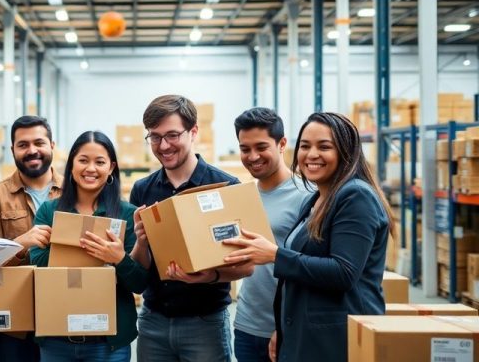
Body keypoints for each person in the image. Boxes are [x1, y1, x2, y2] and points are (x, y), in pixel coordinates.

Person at [223, 112, 393, 362]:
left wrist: (274, 255)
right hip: (305, 335)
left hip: (334, 339)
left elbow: (344, 272)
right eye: (305, 146)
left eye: (324, 146)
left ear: (346, 151)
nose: (311, 154)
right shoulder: (317, 200)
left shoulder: (356, 196)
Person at [129, 95, 254, 362]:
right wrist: (141, 242)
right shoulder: (143, 189)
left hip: (204, 322)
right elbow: (138, 268)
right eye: (154, 137)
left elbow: (246, 266)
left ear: (193, 131)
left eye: (172, 135)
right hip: (154, 321)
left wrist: (209, 276)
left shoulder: (224, 186)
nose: (163, 145)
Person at [29, 131, 147, 362]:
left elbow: (139, 283)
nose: (90, 168)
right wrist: (95, 257)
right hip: (56, 337)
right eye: (83, 160)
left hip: (108, 343)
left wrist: (119, 258)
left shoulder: (127, 215)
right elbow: (37, 267)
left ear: (111, 167)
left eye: (100, 162)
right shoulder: (49, 211)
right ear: (72, 164)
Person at [0, 115, 63, 361]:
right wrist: (20, 244)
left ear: (52, 146)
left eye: (39, 143)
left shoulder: (73, 192)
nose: (32, 150)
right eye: (23, 145)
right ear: (12, 150)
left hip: (64, 314)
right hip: (16, 324)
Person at [231, 108, 310, 362]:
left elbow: (310, 268)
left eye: (261, 147)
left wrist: (288, 324)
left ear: (282, 144)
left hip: (286, 328)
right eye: (245, 149)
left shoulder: (307, 196)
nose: (252, 156)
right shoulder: (243, 198)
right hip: (245, 324)